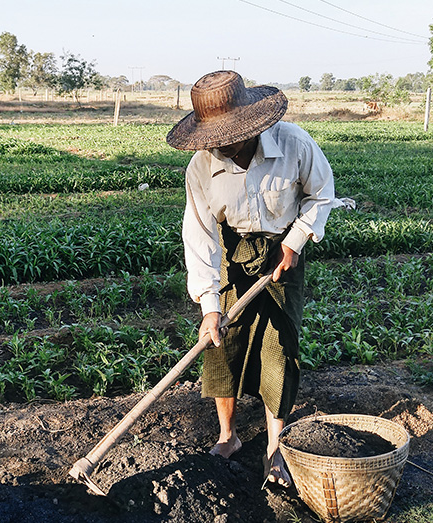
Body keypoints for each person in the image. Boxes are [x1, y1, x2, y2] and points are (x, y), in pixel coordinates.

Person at [166, 70, 341, 488]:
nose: (220, 144)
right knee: (221, 343)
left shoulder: (295, 143)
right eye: (213, 138)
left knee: (279, 346)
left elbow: (322, 193)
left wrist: (295, 241)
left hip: (284, 250)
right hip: (231, 252)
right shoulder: (201, 167)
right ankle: (228, 437)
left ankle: (275, 447)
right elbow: (199, 234)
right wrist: (209, 306)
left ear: (251, 123)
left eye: (228, 135)